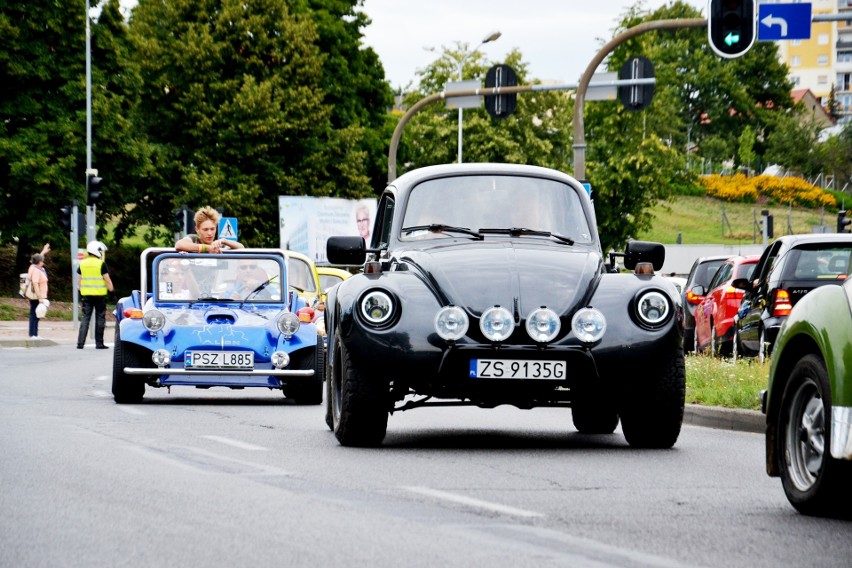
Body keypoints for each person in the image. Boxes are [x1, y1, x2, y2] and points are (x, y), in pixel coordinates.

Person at [77, 241, 115, 350]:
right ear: (96, 251)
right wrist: (112, 292)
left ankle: (80, 343)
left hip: (86, 296)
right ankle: (99, 343)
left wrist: (80, 292)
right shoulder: (101, 264)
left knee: (85, 318)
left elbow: (79, 280)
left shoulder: (82, 263)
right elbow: (107, 280)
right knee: (100, 318)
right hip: (100, 296)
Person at [175, 206, 244, 253]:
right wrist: (208, 248)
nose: (210, 233)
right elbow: (179, 245)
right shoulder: (193, 239)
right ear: (197, 229)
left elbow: (241, 248)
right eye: (205, 229)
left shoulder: (218, 244)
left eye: (212, 229)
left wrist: (224, 241)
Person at [27, 243, 51, 339]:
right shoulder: (36, 270)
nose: (43, 261)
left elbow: (37, 258)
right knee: (34, 313)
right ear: (40, 262)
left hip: (38, 295)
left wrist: (44, 251)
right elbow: (35, 284)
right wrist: (40, 297)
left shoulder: (34, 266)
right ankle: (33, 334)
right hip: (37, 295)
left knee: (37, 314)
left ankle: (34, 334)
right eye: (42, 260)